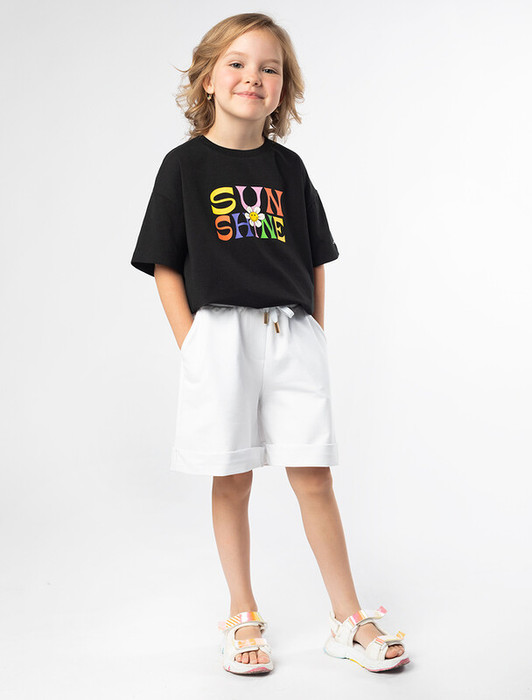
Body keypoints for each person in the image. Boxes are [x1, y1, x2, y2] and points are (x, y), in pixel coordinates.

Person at [130, 12, 410, 676]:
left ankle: (348, 618)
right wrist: (194, 344)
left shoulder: (289, 168)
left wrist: (314, 330)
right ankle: (242, 612)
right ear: (207, 77)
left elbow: (314, 256)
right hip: (220, 335)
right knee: (231, 479)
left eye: (269, 68)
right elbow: (165, 264)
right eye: (236, 63)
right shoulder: (183, 167)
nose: (252, 77)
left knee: (314, 475)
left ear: (284, 86)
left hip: (291, 333)